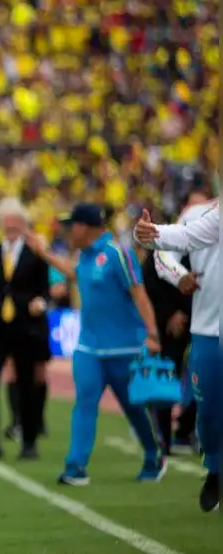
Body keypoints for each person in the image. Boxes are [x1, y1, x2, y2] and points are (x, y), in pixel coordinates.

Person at [26, 203, 166, 485]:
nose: (68, 231)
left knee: (133, 407)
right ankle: (75, 466)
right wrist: (44, 254)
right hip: (89, 348)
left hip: (125, 349)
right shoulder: (87, 256)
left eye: (71, 225)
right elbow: (73, 272)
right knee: (85, 403)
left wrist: (152, 334)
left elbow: (139, 294)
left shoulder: (118, 253)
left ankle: (154, 454)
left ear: (85, 227)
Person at [140, 196, 219, 511]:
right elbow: (164, 255)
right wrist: (178, 276)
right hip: (207, 327)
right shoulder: (203, 213)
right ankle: (214, 466)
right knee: (210, 411)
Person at [0, 197, 50, 460]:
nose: (11, 225)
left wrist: (40, 302)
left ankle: (29, 442)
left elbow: (44, 289)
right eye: (7, 220)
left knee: (26, 384)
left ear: (24, 224)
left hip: (25, 326)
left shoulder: (35, 253)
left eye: (16, 221)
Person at [148, 190, 210, 456]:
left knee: (207, 379)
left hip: (206, 320)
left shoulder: (212, 239)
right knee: (168, 376)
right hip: (174, 321)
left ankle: (187, 428)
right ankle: (162, 434)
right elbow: (152, 278)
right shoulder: (170, 239)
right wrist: (171, 313)